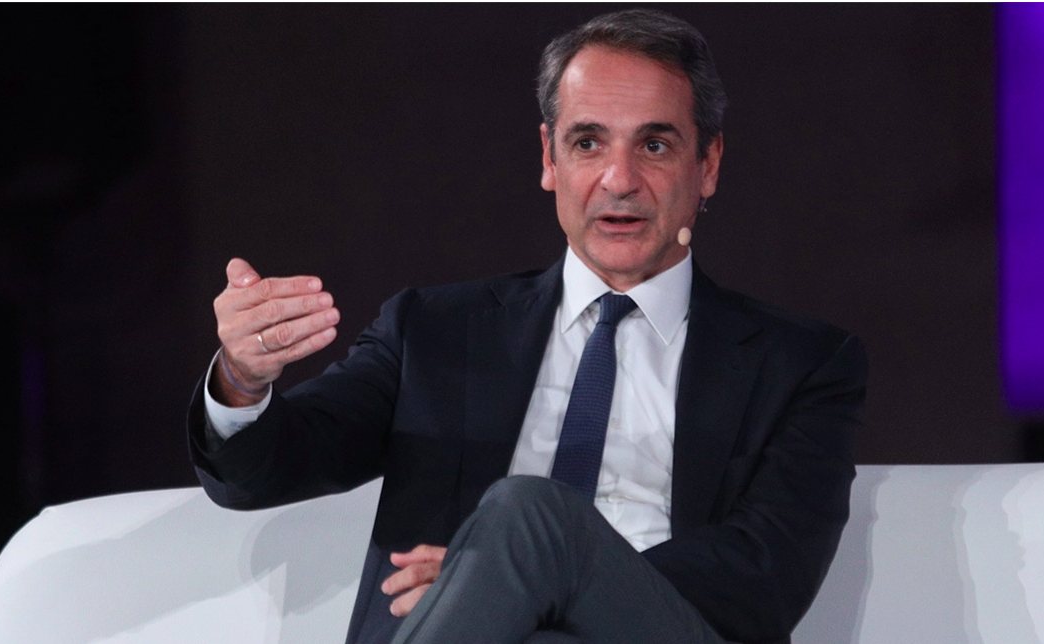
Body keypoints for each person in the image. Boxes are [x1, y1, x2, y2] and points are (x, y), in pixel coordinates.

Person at [187, 9, 867, 644]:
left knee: (529, 515)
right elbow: (260, 474)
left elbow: (768, 572)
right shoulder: (434, 332)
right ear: (549, 157)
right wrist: (242, 379)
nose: (619, 179)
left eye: (655, 145)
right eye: (587, 142)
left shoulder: (801, 363)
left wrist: (518, 570)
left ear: (707, 164)